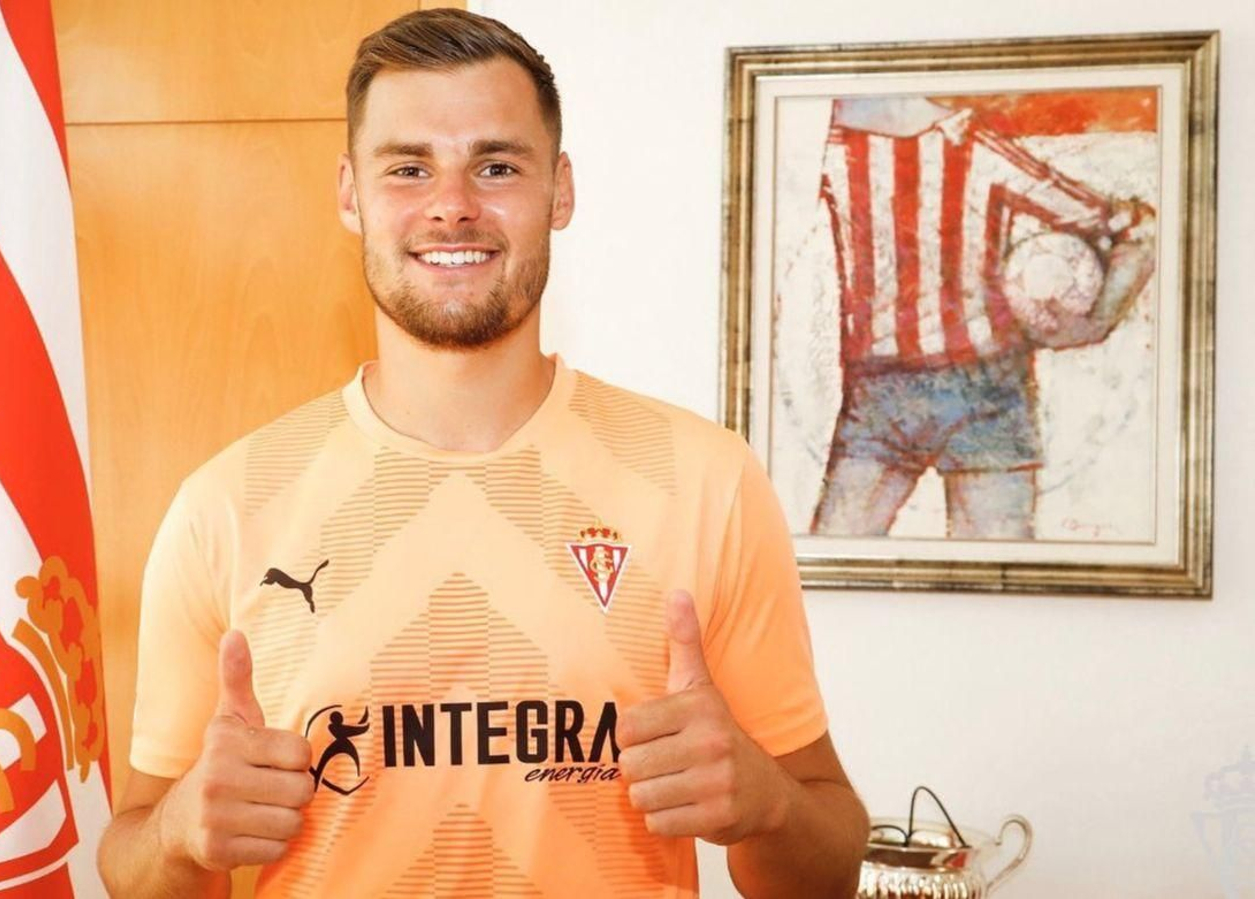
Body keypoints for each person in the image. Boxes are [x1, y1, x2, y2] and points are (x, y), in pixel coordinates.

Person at [97, 9, 867, 897]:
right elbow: (131, 858)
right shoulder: (223, 507)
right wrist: (182, 835)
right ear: (350, 193)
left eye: (496, 166)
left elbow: (828, 862)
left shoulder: (706, 482)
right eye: (408, 168)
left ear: (560, 190)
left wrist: (765, 802)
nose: (451, 204)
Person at [809, 95, 1157, 538]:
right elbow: (1139, 230)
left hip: (973, 390)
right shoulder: (832, 149)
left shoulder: (830, 150)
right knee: (838, 569)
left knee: (995, 578)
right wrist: (1098, 320)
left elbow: (1140, 232)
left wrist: (1097, 321)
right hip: (911, 391)